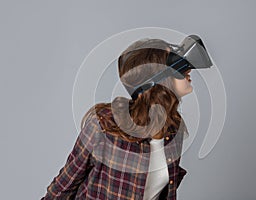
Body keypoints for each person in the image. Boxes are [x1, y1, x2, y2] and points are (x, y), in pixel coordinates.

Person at [41, 38, 193, 200]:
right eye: (174, 63)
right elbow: (63, 187)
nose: (188, 69)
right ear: (156, 80)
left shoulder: (173, 128)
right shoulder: (104, 125)